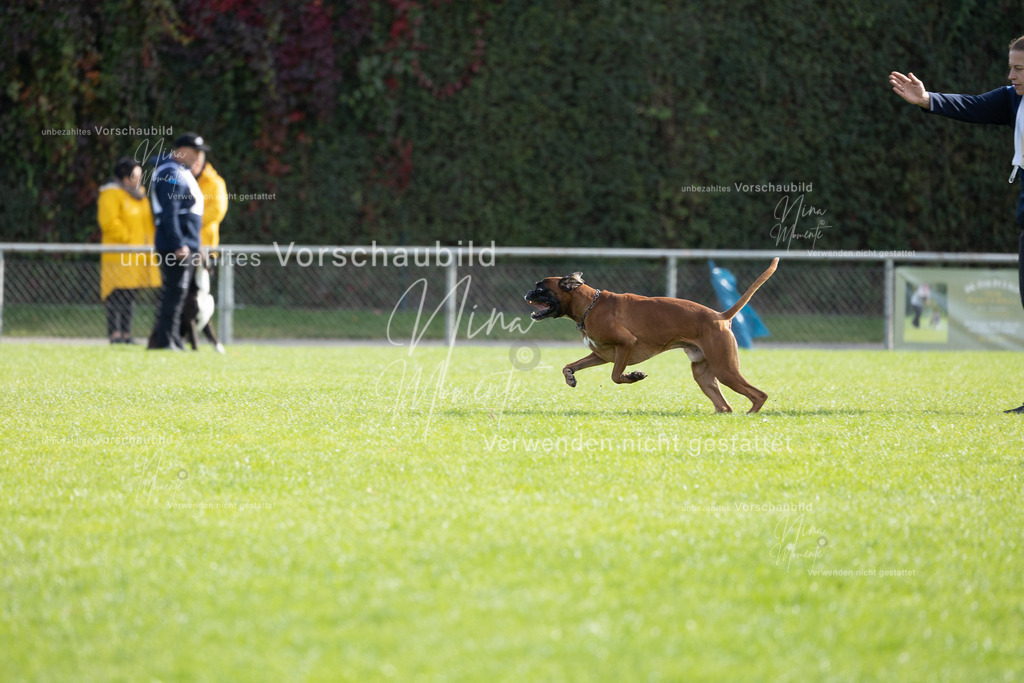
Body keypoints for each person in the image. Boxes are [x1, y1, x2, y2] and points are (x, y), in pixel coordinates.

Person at [890, 36, 1024, 414]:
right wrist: (926, 98)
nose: (1010, 74)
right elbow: (974, 105)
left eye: (1018, 68)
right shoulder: (1014, 97)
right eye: (1011, 66)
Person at [147, 132, 208, 350]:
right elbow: (169, 213)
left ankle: (171, 340)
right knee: (174, 294)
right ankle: (165, 342)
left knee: (178, 294)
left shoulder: (179, 171)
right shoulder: (171, 172)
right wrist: (178, 243)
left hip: (184, 244)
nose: (198, 157)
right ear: (181, 150)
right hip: (177, 246)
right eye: (194, 152)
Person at [97, 157, 161, 344]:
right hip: (119, 254)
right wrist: (130, 238)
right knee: (115, 294)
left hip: (137, 254)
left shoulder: (139, 194)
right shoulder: (111, 194)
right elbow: (109, 223)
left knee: (130, 294)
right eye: (136, 176)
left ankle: (126, 334)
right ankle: (114, 334)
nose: (140, 179)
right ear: (125, 179)